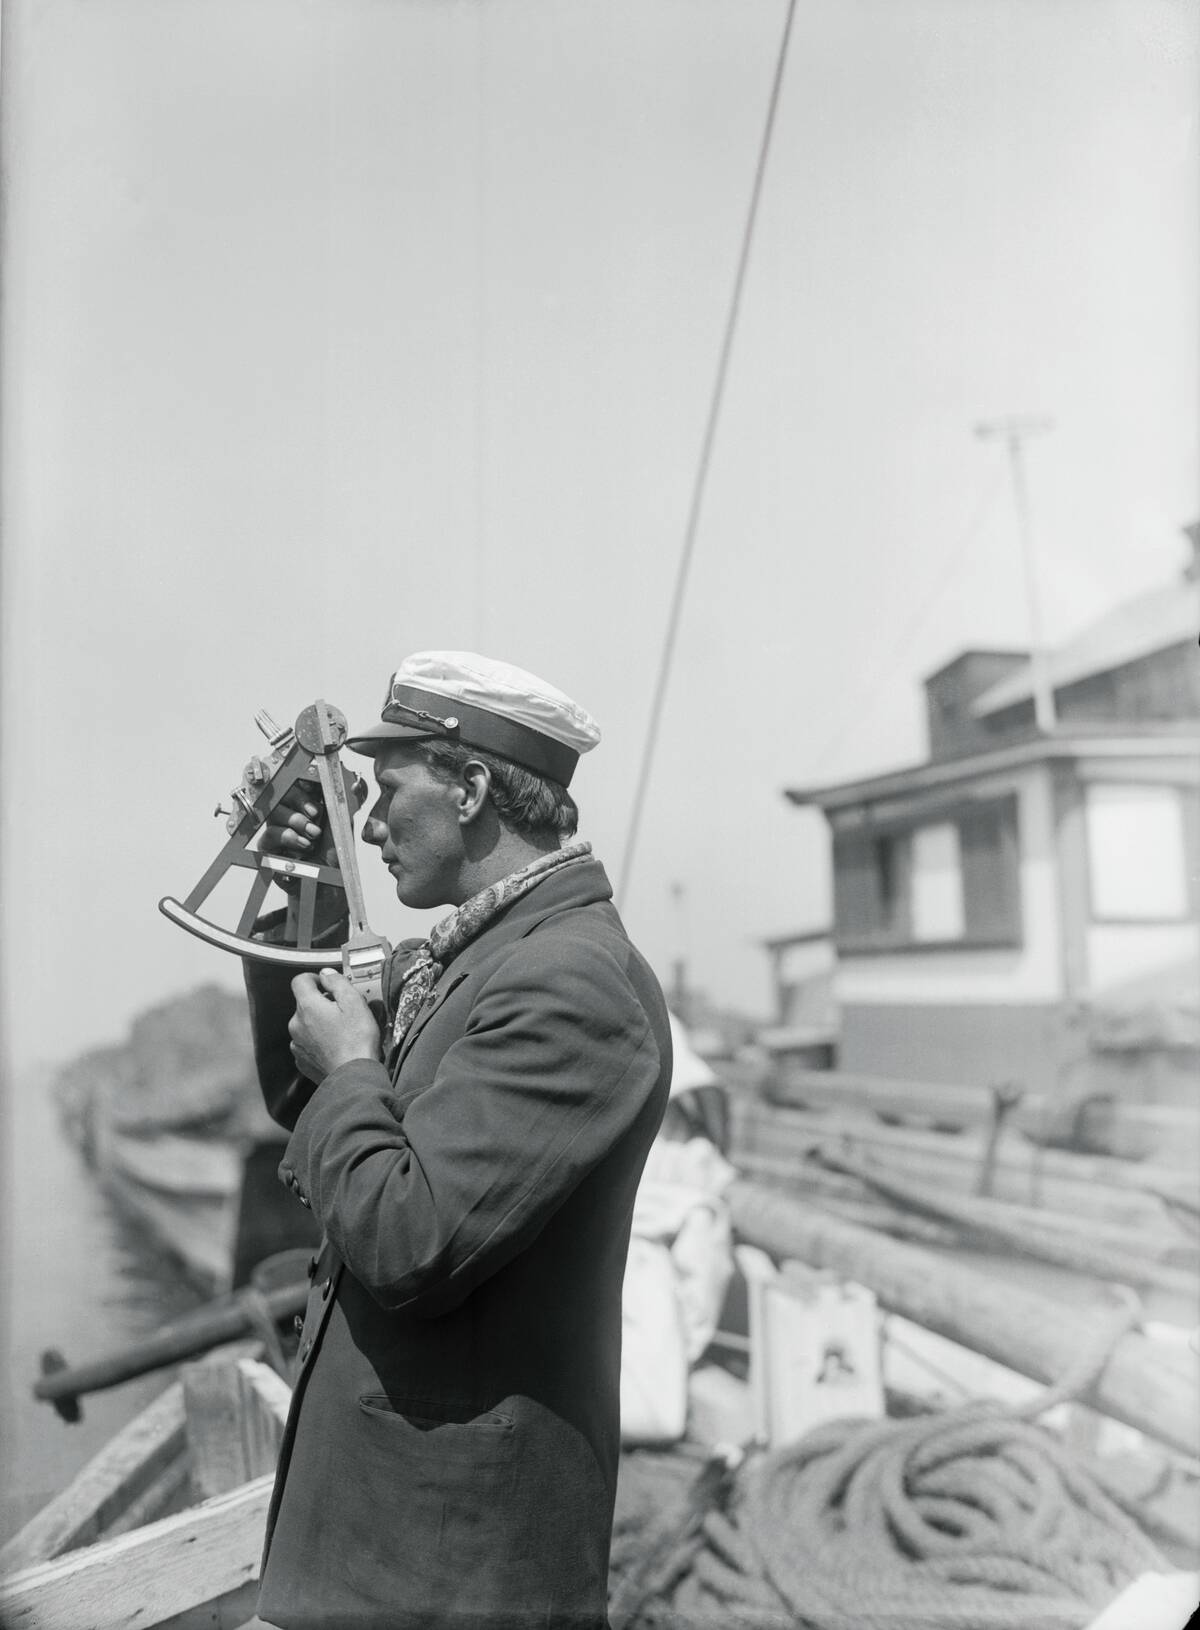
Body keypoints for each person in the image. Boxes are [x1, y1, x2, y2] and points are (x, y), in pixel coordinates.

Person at [242, 650, 673, 1630]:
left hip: (453, 1575)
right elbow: (296, 1092)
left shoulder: (570, 982)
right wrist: (299, 872)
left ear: (473, 786)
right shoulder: (475, 960)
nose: (372, 821)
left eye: (389, 790)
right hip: (382, 1553)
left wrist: (355, 1068)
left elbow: (407, 1238)